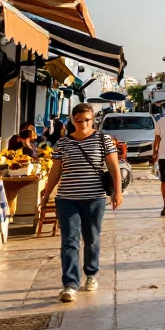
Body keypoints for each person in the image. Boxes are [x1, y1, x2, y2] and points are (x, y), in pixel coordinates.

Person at [40, 103, 122, 302]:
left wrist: (117, 192)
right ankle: (70, 284)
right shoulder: (62, 143)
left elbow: (113, 167)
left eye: (87, 120)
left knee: (92, 238)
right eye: (78, 120)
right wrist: (46, 194)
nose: (83, 124)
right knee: (69, 241)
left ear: (92, 119)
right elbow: (55, 171)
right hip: (67, 198)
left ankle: (91, 274)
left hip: (94, 198)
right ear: (72, 120)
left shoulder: (104, 140)